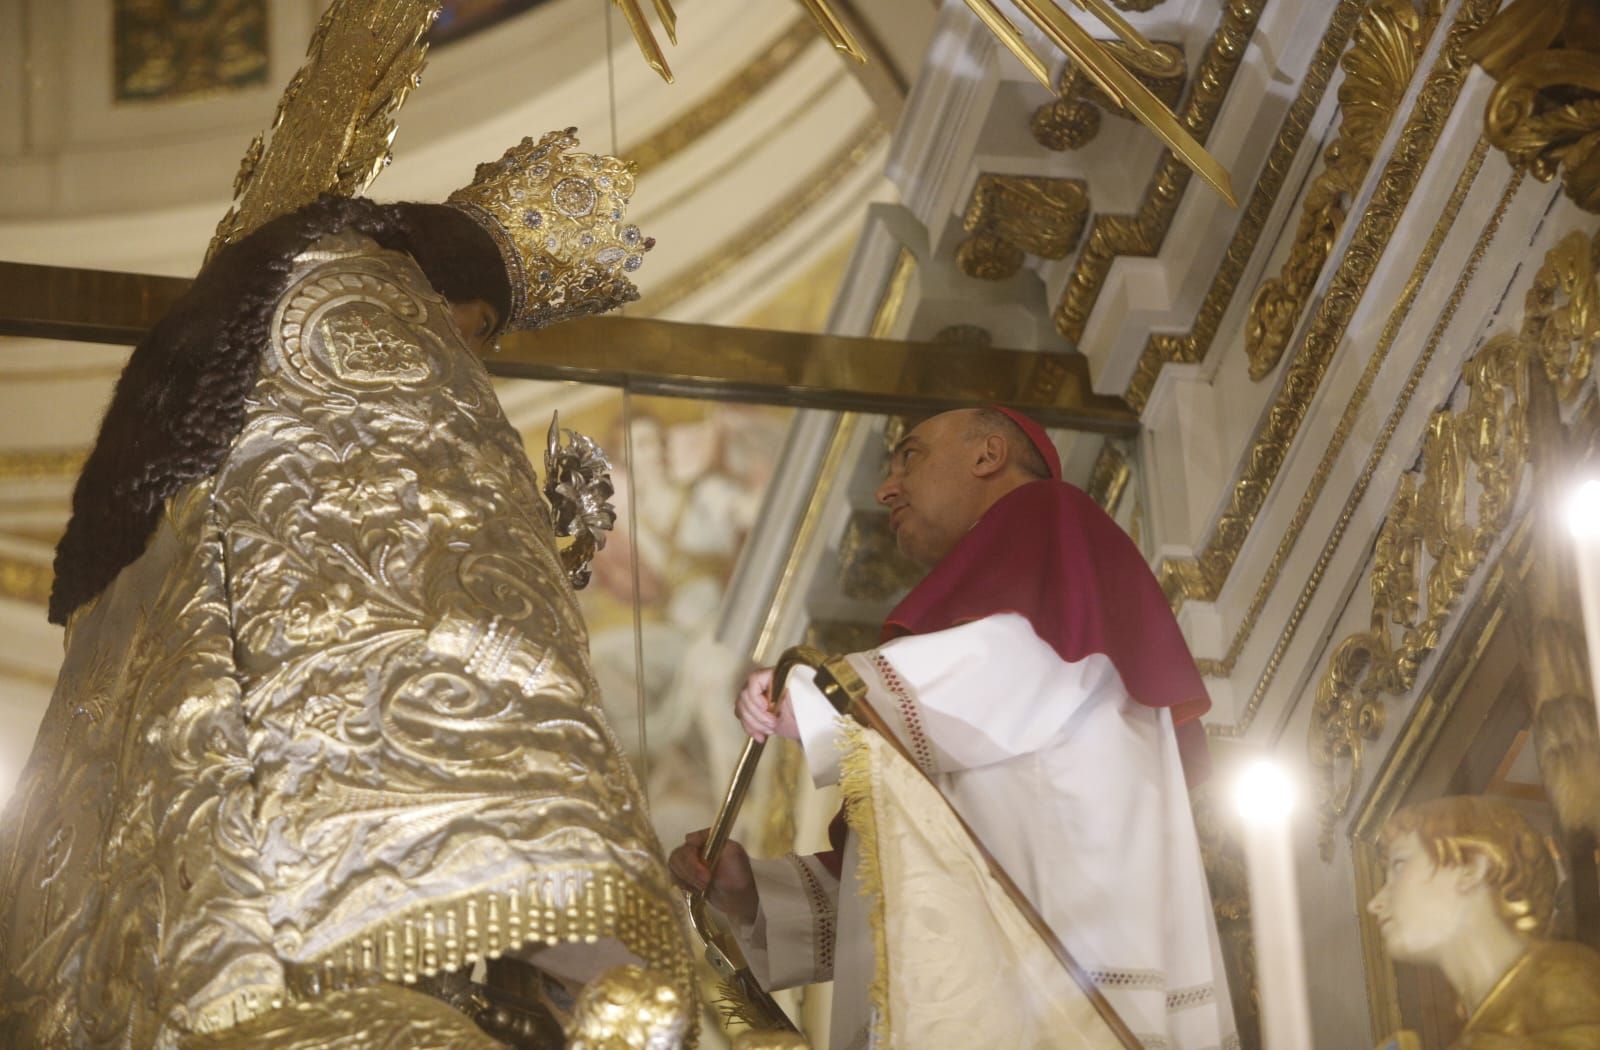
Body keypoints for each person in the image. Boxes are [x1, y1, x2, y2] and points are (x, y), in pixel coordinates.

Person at [0, 129, 690, 1047]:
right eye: (478, 332)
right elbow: (440, 525)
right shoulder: (370, 302)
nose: (468, 361)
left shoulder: (257, 316)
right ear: (450, 288)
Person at [670, 406, 1237, 1049]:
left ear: (987, 455)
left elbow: (1022, 661)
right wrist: (753, 898)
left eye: (909, 455)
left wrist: (827, 695)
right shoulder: (952, 711)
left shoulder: (1049, 518)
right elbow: (915, 878)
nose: (887, 488)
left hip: (1064, 986)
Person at [1369, 796, 1600, 1048]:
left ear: (1471, 866)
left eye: (1399, 865)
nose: (1375, 903)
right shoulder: (1484, 1024)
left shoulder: (1565, 984)